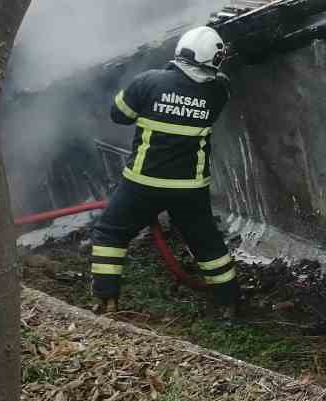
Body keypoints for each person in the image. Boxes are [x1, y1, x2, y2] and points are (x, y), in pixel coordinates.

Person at [90, 25, 239, 317]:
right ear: (214, 59)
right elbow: (214, 81)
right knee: (206, 242)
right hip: (189, 188)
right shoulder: (218, 92)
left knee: (110, 232)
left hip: (143, 183)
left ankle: (107, 302)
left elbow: (119, 115)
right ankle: (228, 304)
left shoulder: (148, 81)